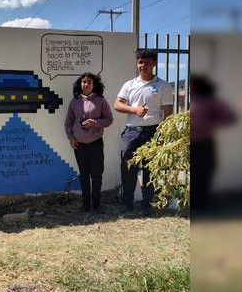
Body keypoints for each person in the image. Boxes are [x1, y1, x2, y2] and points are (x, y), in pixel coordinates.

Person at [113, 49, 174, 214]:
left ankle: (147, 204)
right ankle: (127, 203)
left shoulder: (163, 85)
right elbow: (117, 104)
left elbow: (168, 112)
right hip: (131, 132)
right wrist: (135, 110)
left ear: (154, 63)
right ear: (137, 63)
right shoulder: (129, 84)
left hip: (153, 132)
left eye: (147, 63)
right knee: (128, 168)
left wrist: (163, 136)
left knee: (150, 169)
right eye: (140, 62)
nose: (143, 66)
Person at [64, 72, 114, 213]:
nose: (86, 84)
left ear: (94, 84)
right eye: (84, 82)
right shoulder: (74, 102)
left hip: (95, 143)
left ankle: (97, 205)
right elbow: (68, 123)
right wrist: (71, 138)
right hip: (79, 145)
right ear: (80, 84)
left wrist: (95, 122)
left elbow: (109, 120)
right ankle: (85, 204)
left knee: (97, 174)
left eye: (89, 82)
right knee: (84, 174)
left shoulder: (101, 101)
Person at [189, 75, 237, 213]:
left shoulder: (209, 101)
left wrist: (208, 124)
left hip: (203, 143)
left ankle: (201, 204)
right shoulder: (190, 100)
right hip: (189, 143)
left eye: (191, 83)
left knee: (203, 174)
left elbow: (231, 117)